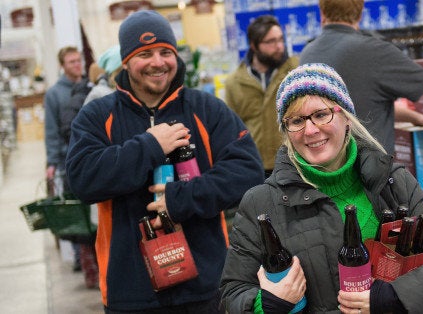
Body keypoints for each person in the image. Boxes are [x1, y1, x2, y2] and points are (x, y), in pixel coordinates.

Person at [220, 63, 423, 313]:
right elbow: (232, 292)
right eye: (296, 120)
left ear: (346, 118)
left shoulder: (391, 182)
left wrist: (391, 298)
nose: (310, 130)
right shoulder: (261, 203)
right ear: (287, 132)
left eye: (321, 115)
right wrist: (266, 305)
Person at [65, 10, 265, 313]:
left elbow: (248, 172)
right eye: (145, 53)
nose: (158, 62)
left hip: (206, 286)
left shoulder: (206, 109)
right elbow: (81, 179)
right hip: (129, 292)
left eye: (165, 52)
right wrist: (150, 146)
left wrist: (181, 199)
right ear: (126, 60)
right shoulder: (97, 116)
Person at [299, 0, 423, 154]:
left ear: (321, 14)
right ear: (360, 13)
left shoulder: (307, 54)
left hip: (324, 169)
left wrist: (414, 117)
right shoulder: (374, 51)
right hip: (367, 172)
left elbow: (356, 108)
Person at [224, 15, 299, 177]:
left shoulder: (296, 71)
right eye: (271, 42)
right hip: (254, 168)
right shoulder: (234, 83)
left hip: (294, 163)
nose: (279, 46)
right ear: (254, 45)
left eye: (280, 39)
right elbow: (232, 131)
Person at [44, 45, 87, 272]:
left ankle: (90, 256)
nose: (77, 65)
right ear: (63, 65)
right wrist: (52, 163)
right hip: (66, 158)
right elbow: (51, 130)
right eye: (71, 62)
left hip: (88, 154)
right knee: (73, 208)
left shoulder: (88, 85)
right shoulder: (54, 94)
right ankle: (81, 257)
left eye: (78, 60)